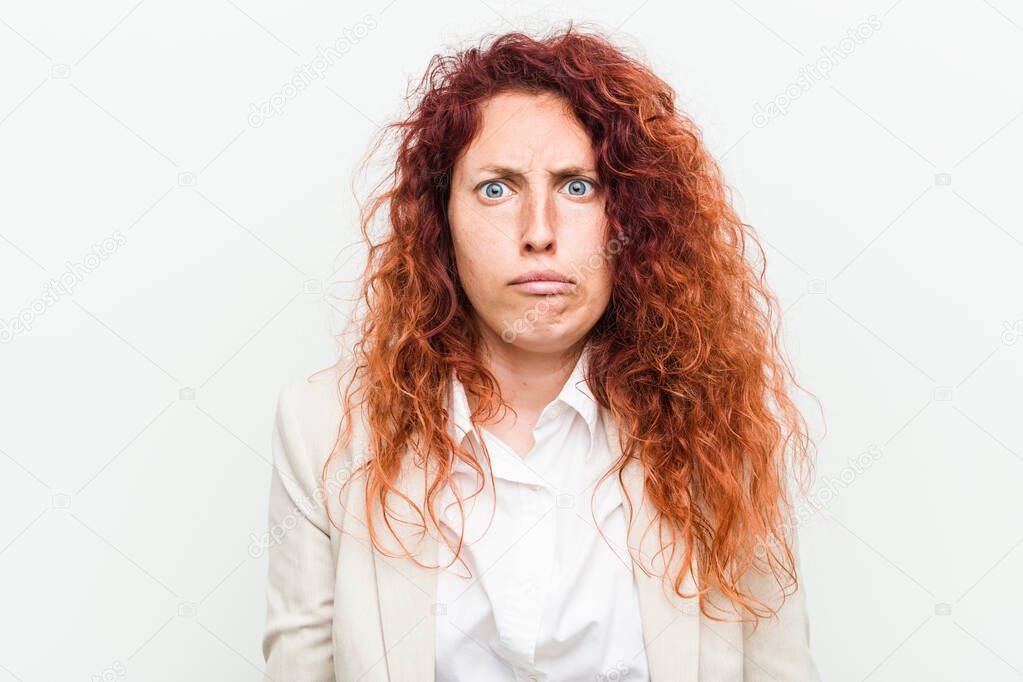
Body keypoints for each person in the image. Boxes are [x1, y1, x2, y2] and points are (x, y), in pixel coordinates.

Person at [262, 24, 822, 682]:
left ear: (634, 221)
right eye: (496, 188)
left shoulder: (714, 425)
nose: (538, 233)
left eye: (577, 186)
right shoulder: (324, 427)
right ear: (440, 225)